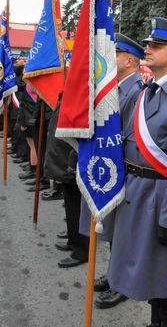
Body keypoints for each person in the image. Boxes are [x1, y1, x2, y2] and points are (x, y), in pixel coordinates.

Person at [106, 18, 167, 327]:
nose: (148, 49)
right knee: (147, 271)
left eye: (156, 45)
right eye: (148, 44)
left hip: (159, 197)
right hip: (137, 189)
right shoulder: (148, 90)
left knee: (162, 274)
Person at [94, 33, 145, 308]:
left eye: (115, 55)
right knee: (117, 230)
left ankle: (121, 282)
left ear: (129, 60)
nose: (109, 59)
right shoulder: (118, 86)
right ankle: (115, 274)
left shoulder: (135, 90)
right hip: (115, 169)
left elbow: (127, 135)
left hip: (126, 170)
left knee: (126, 234)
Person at [43, 92, 90, 268]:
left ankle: (82, 249)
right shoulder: (70, 88)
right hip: (67, 156)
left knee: (79, 206)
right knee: (71, 204)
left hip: (75, 156)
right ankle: (73, 239)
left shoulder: (85, 88)